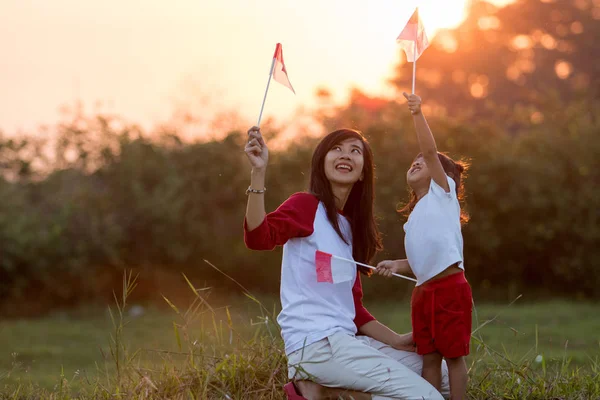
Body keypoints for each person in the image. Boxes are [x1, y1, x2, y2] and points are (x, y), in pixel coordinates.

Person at [244, 125, 449, 399]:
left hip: (348, 342)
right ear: (322, 161)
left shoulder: (349, 228)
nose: (346, 155)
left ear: (363, 171)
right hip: (316, 345)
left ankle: (329, 391)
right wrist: (258, 173)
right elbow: (258, 237)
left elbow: (352, 309)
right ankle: (316, 383)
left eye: (355, 151)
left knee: (443, 376)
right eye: (337, 149)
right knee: (428, 397)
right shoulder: (305, 206)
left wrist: (397, 341)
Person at [375, 93, 472, 400]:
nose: (417, 161)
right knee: (428, 358)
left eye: (423, 161)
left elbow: (430, 151)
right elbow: (420, 259)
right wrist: (397, 264)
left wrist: (417, 114)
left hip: (448, 288)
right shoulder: (415, 216)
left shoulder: (443, 195)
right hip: (423, 293)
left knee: (453, 358)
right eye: (413, 161)